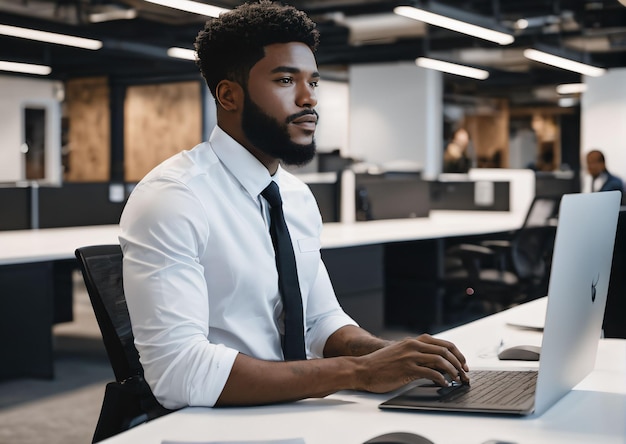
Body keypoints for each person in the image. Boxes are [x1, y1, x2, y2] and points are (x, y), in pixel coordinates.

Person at [119, 0, 469, 410]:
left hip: (292, 407)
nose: (309, 99)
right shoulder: (173, 198)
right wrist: (359, 373)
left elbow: (320, 321)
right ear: (229, 96)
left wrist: (389, 355)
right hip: (214, 422)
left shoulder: (296, 197)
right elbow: (180, 373)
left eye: (313, 82)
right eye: (286, 80)